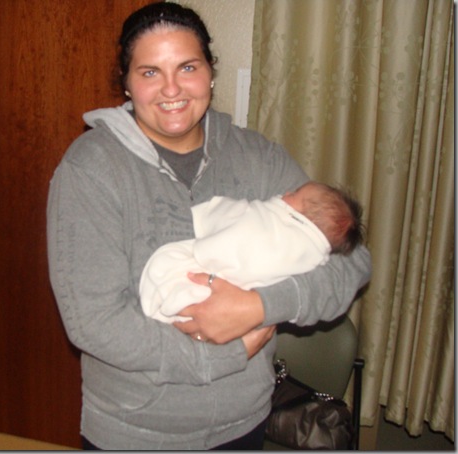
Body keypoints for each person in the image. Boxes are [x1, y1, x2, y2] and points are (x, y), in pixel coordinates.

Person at [46, 2, 371, 450]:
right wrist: (221, 355)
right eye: (150, 72)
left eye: (187, 67)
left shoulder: (257, 158)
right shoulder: (91, 170)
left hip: (245, 421)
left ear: (210, 73)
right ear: (126, 83)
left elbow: (351, 261)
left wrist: (258, 307)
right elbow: (94, 322)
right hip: (137, 433)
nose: (172, 89)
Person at [140, 182, 365, 323]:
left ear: (300, 217)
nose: (287, 191)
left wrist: (259, 307)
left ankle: (174, 299)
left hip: (211, 273)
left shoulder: (265, 213)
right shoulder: (314, 255)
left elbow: (357, 264)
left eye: (295, 193)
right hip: (230, 293)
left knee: (171, 263)